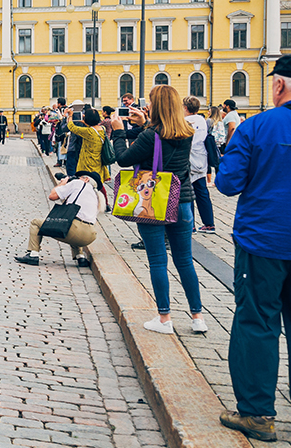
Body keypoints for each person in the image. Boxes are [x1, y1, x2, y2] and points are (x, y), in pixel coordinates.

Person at [215, 55, 291, 443]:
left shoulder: (257, 126)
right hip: (269, 238)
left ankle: (258, 413)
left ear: (278, 85)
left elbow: (227, 184)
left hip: (265, 241)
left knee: (258, 323)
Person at [110, 84, 205, 336]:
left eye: (150, 101)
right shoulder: (186, 131)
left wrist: (119, 132)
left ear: (158, 106)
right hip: (183, 202)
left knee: (158, 261)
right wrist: (144, 125)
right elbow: (161, 143)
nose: (147, 105)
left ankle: (164, 318)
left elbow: (123, 159)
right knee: (185, 260)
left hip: (155, 204)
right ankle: (197, 317)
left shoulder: (150, 136)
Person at [16, 172, 101, 267]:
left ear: (86, 179)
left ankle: (33, 254)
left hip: (75, 230)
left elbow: (52, 196)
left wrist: (63, 183)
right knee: (73, 224)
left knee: (36, 223)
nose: (77, 179)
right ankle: (80, 257)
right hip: (90, 235)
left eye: (79, 177)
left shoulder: (78, 183)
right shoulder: (97, 196)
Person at [65, 108, 111, 211]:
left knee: (89, 183)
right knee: (99, 183)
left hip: (88, 162)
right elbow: (93, 129)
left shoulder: (89, 132)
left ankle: (90, 203)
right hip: (99, 160)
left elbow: (71, 127)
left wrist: (70, 115)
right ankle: (106, 203)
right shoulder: (102, 128)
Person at [182, 96, 215, 234]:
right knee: (202, 192)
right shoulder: (202, 120)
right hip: (202, 158)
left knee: (188, 192)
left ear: (185, 108)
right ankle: (209, 224)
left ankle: (191, 225)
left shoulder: (183, 121)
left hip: (188, 158)